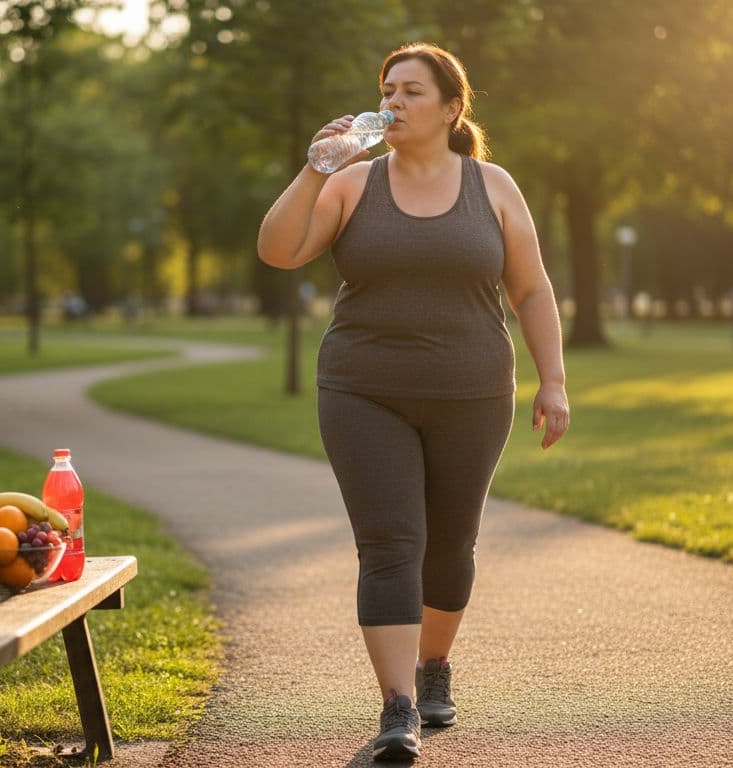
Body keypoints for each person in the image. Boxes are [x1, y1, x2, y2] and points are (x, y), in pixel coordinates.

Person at [257, 42, 569, 761]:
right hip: (363, 390)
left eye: (411, 92)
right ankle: (397, 710)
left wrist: (553, 379)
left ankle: (434, 667)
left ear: (452, 108)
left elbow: (531, 288)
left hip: (473, 390)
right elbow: (278, 250)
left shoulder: (492, 185)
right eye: (386, 90)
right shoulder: (350, 183)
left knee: (450, 546)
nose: (392, 103)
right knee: (391, 544)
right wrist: (315, 167)